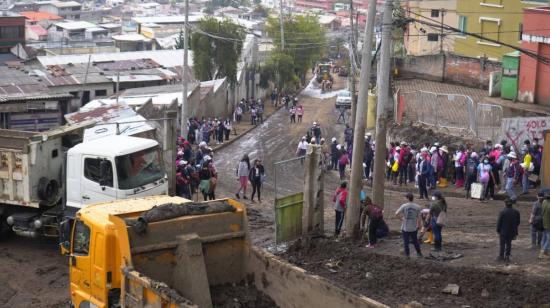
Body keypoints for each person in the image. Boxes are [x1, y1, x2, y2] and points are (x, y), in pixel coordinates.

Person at [395, 192, 423, 258]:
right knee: (415, 241)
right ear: (412, 198)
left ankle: (407, 255)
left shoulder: (404, 206)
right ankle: (419, 253)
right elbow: (419, 218)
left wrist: (402, 219)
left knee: (406, 242)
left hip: (405, 227)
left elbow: (396, 214)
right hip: (414, 227)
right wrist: (420, 226)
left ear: (407, 198)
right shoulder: (418, 207)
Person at [539, 190, 550, 259]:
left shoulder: (544, 202)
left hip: (543, 223)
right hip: (548, 224)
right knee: (549, 239)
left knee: (544, 237)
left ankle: (543, 251)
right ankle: (543, 251)